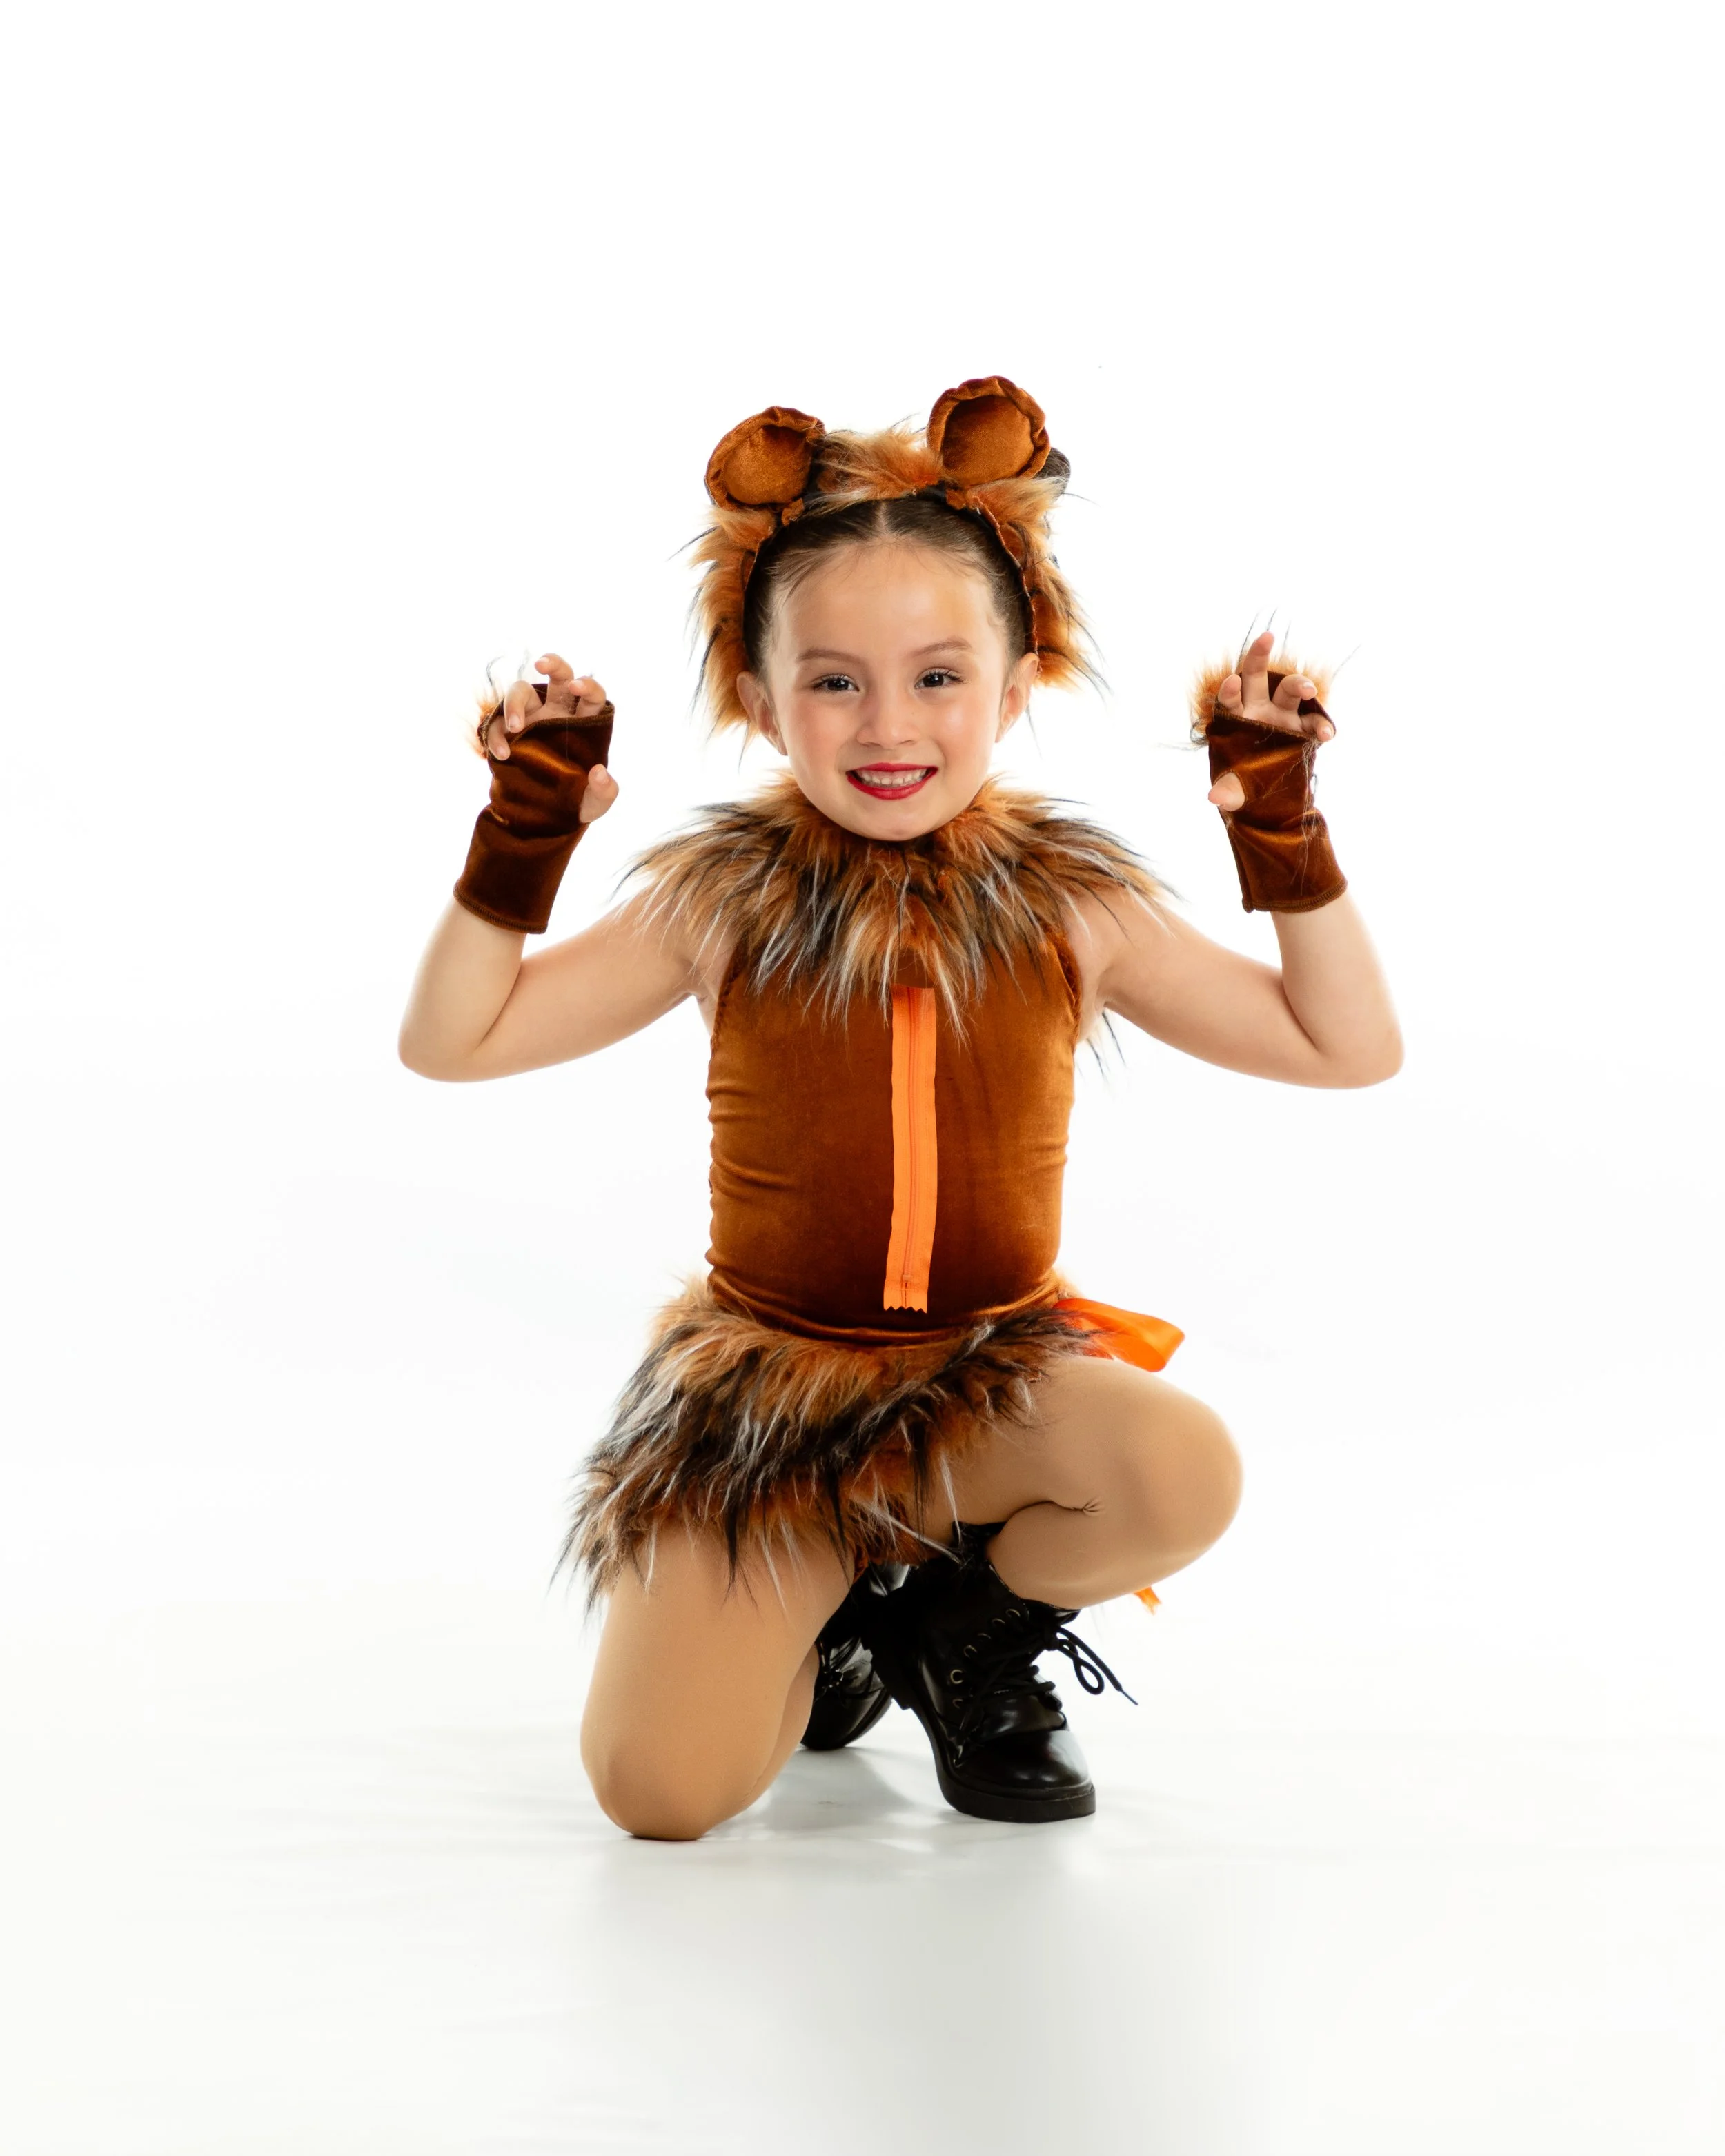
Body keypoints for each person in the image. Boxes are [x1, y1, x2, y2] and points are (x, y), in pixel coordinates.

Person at [398, 377, 1402, 1842]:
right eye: (831, 680)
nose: (888, 723)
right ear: (756, 697)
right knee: (662, 1796)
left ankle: (957, 1621)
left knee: (1180, 1466)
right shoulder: (719, 901)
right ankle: (834, 1618)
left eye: (938, 676)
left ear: (1015, 685)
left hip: (983, 1392)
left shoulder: (1071, 903)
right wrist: (521, 838)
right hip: (773, 1409)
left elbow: (1343, 1045)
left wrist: (1282, 834)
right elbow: (453, 1041)